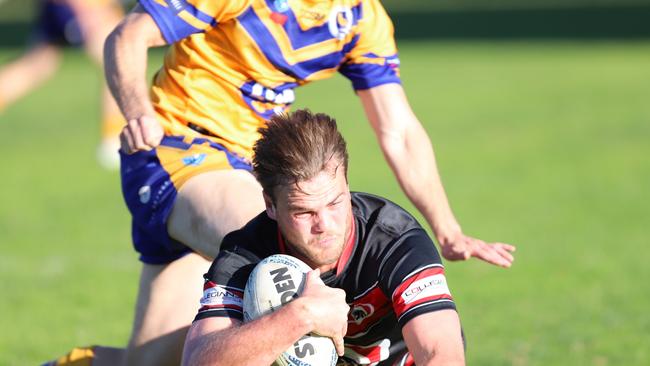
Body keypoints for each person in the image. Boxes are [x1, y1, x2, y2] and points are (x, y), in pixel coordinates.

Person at [49, 0, 514, 364]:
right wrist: (136, 114)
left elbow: (399, 130)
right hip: (178, 150)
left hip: (254, 166)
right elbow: (127, 35)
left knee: (146, 364)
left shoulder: (359, 16)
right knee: (285, 275)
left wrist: (447, 227)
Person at [182, 109, 466, 366]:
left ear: (347, 185)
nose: (325, 225)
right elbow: (198, 362)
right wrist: (301, 315)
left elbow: (442, 354)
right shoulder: (246, 254)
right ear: (270, 205)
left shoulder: (394, 240)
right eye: (304, 213)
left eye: (335, 203)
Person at [0, 0, 125, 169]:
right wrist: (83, 10)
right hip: (85, 6)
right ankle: (114, 139)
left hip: (64, 6)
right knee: (115, 57)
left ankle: (114, 137)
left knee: (38, 64)